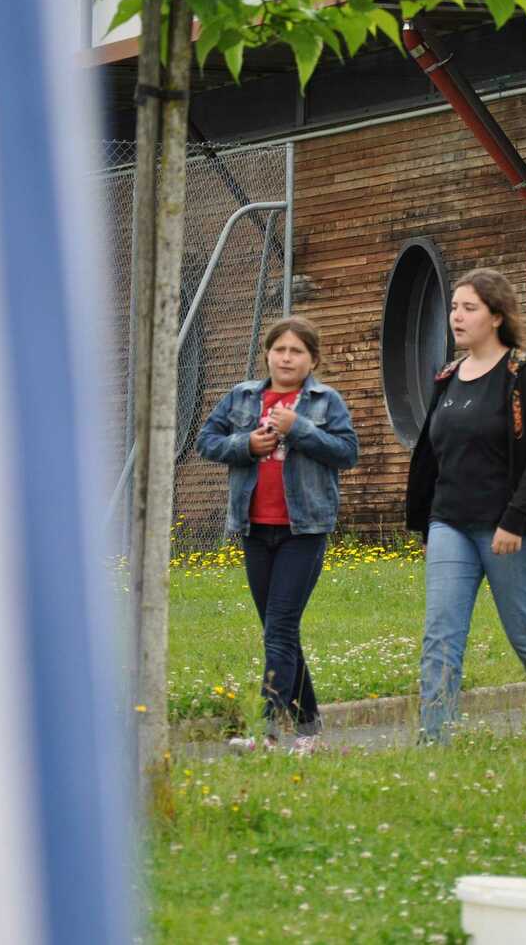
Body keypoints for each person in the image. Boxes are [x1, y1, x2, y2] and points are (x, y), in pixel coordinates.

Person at [405, 267, 526, 743]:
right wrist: (427, 526)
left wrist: (514, 519)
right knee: (440, 635)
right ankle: (434, 743)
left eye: (469, 308)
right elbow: (432, 457)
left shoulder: (524, 375)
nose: (456, 316)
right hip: (450, 524)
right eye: (454, 307)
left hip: (510, 530)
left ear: (495, 317)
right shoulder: (447, 378)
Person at [197, 315, 358, 754]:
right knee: (278, 631)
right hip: (254, 529)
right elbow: (207, 440)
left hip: (303, 531)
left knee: (280, 629)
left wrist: (298, 429)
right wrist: (246, 445)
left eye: (297, 351)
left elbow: (347, 452)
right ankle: (310, 731)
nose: (287, 358)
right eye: (280, 349)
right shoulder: (242, 396)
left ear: (312, 360)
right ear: (267, 354)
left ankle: (266, 731)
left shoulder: (326, 401)